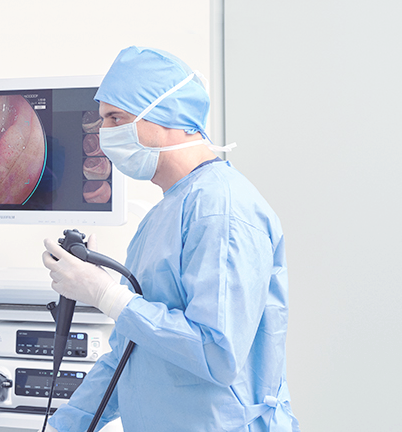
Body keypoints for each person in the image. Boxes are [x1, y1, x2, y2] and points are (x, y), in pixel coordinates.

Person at [41, 47, 298, 431]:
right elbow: (129, 352)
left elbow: (217, 353)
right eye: (102, 121)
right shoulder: (167, 212)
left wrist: (109, 296)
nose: (104, 134)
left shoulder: (221, 210)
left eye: (116, 118)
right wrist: (66, 426)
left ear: (171, 116)